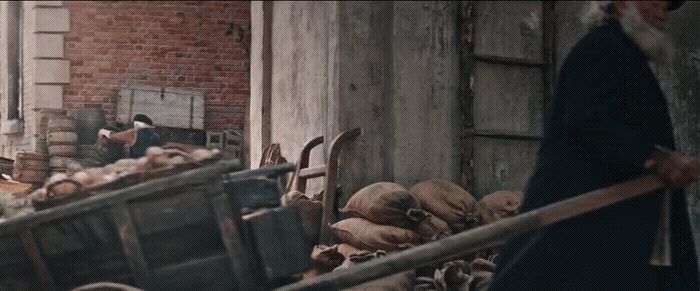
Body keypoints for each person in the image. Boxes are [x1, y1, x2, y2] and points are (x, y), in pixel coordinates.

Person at [489, 1, 699, 290]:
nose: (662, 11)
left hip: (618, 238)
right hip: (581, 234)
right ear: (622, 4)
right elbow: (589, 119)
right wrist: (655, 158)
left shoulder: (629, 60)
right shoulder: (601, 48)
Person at [97, 114, 162, 158]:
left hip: (138, 166)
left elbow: (113, 137)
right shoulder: (156, 135)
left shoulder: (133, 133)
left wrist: (103, 132)